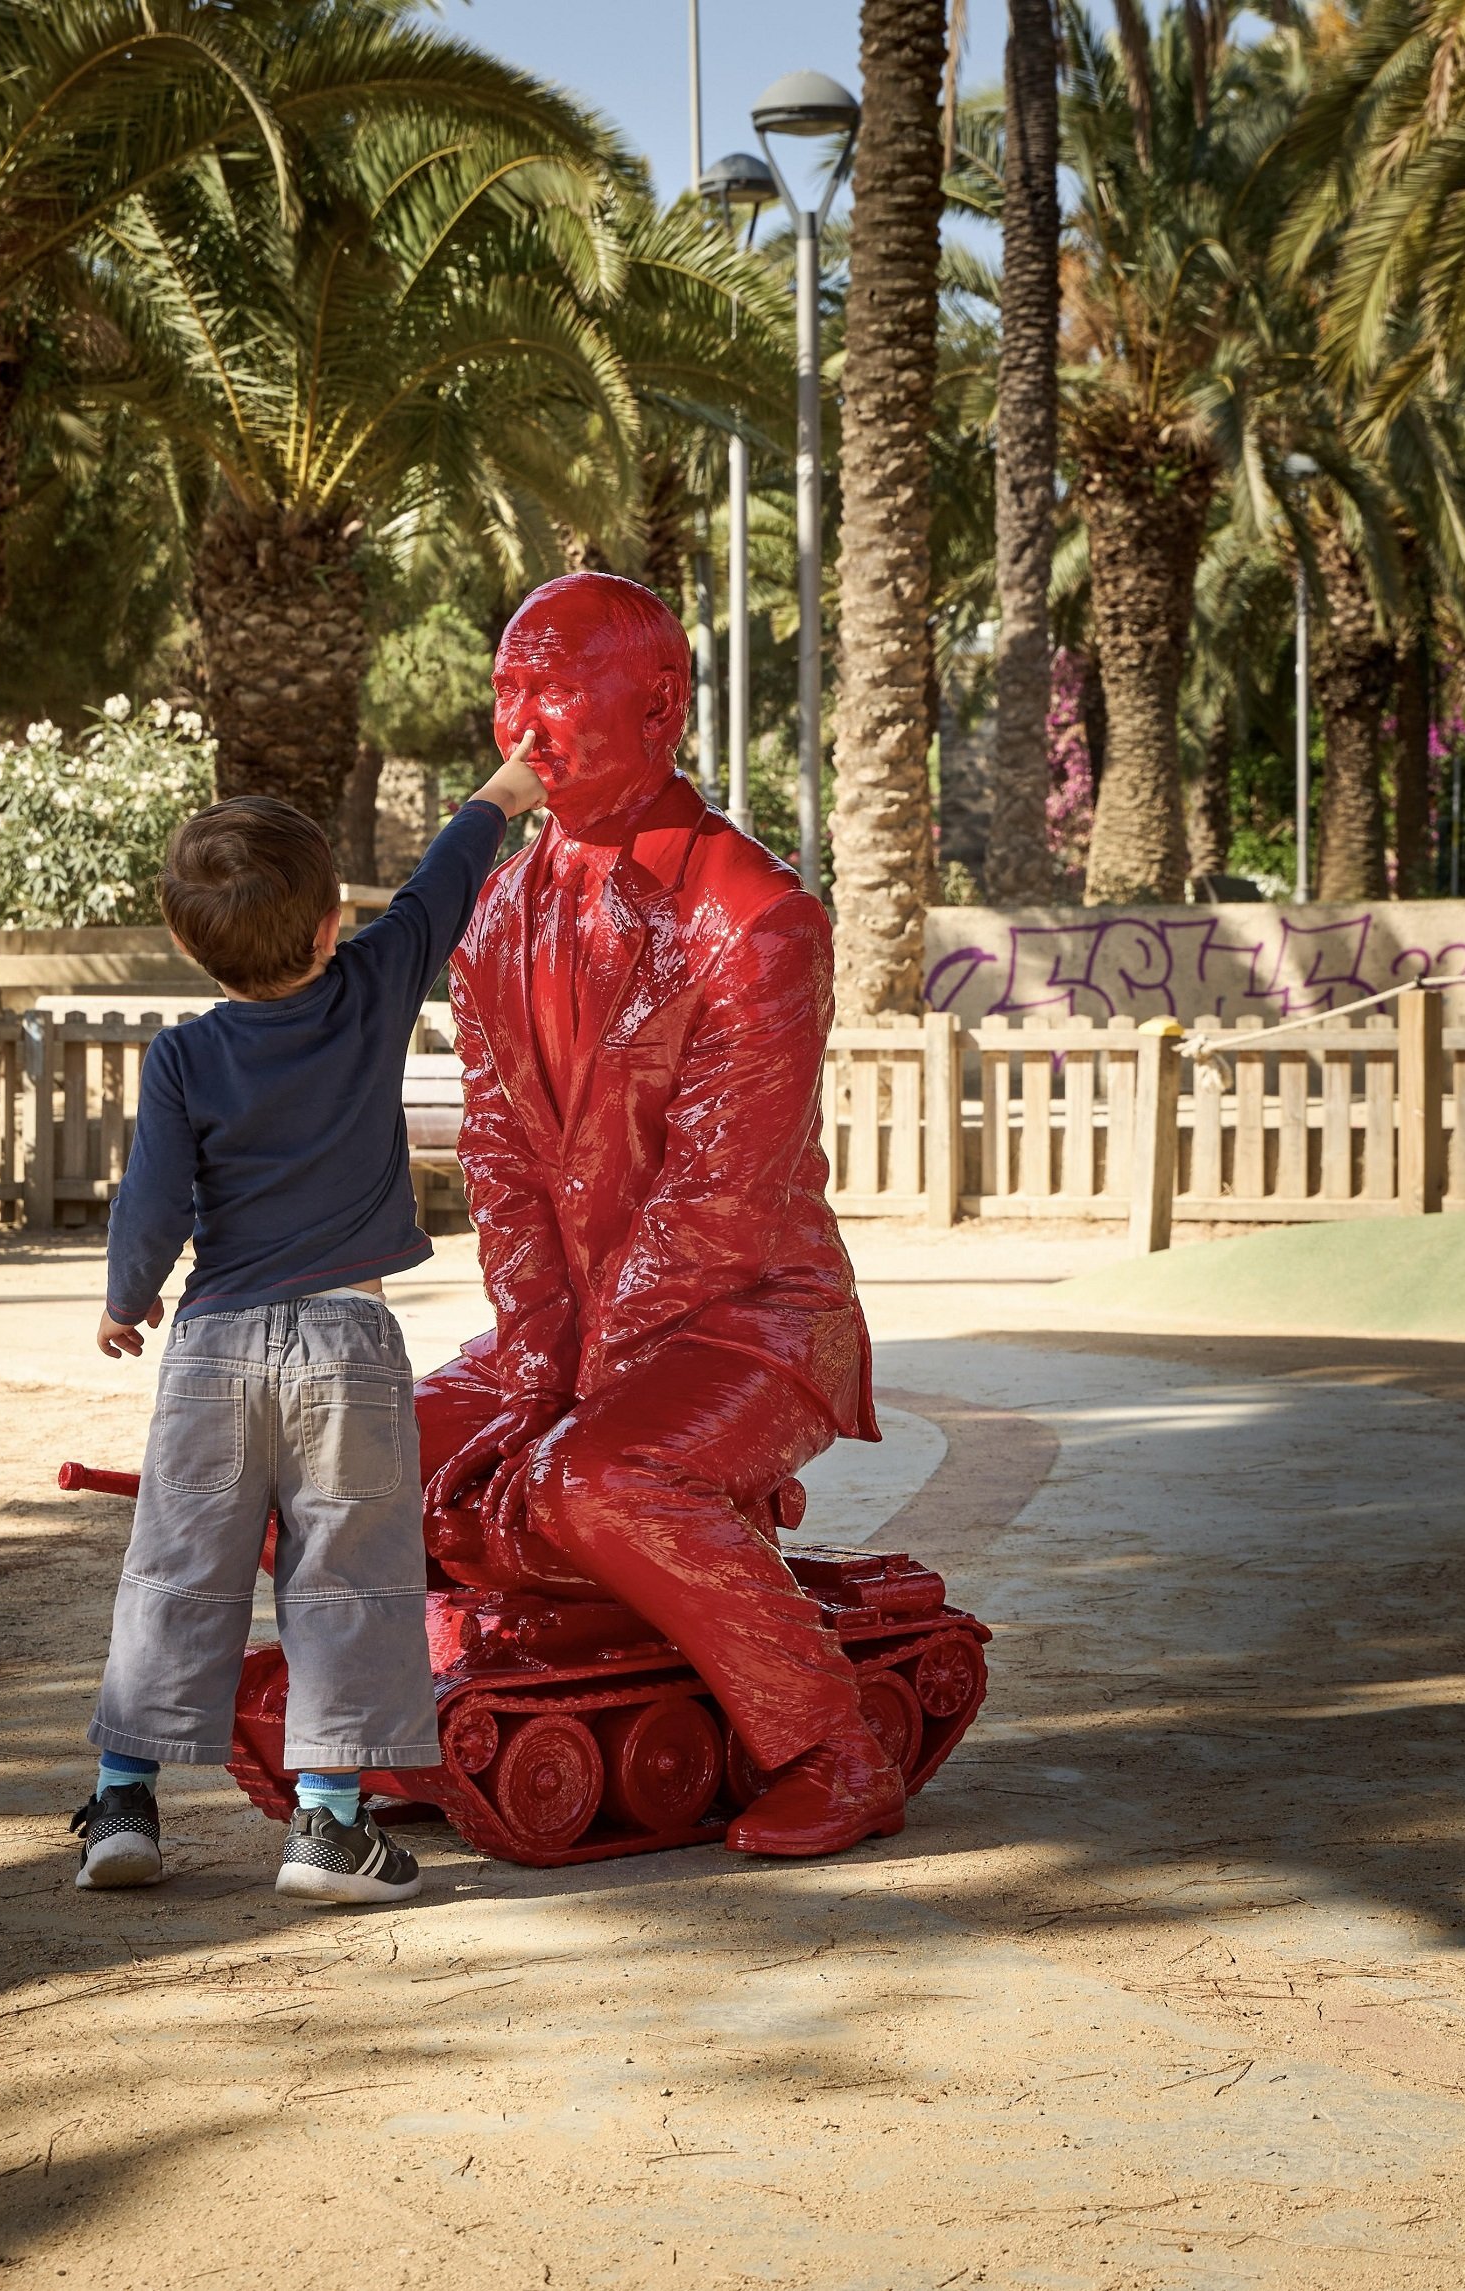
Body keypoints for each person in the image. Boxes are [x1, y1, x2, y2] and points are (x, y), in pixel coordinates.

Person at [416, 570, 905, 1859]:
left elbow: (717, 1204)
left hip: (747, 1327)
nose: (523, 727)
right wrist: (531, 1366)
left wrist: (573, 1405)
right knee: (351, 1456)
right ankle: (417, 1708)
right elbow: (500, 1163)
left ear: (662, 706)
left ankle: (832, 1745)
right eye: (507, 690)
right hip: (570, 1339)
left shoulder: (755, 918)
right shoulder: (494, 911)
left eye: (555, 691)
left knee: (596, 1477)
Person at [78, 739, 545, 1903]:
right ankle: (329, 1827)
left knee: (177, 1567)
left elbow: (152, 1201)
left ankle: (124, 1803)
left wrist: (123, 1299)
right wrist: (503, 793)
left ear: (186, 943)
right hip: (346, 1337)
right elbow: (442, 886)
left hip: (215, 1342)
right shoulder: (372, 987)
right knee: (349, 1574)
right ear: (335, 920)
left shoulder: (182, 1054)